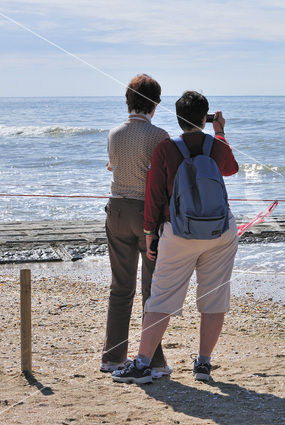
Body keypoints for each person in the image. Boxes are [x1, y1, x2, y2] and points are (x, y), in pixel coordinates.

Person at [112, 91, 239, 384]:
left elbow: (155, 195)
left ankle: (143, 364)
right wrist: (220, 132)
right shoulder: (215, 145)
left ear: (178, 118)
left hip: (178, 232)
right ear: (205, 117)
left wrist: (149, 234)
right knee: (214, 296)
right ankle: (203, 364)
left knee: (162, 297)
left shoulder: (167, 148)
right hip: (220, 230)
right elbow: (231, 168)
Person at [101, 74, 171, 379]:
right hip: (146, 214)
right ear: (154, 104)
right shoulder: (159, 136)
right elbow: (165, 178)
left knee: (121, 287)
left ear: (128, 101)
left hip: (116, 209)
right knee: (152, 290)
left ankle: (112, 357)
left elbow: (113, 167)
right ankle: (153, 360)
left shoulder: (114, 134)